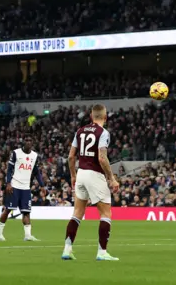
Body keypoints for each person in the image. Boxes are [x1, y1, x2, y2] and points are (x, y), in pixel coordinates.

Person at [62, 104, 120, 261]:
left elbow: (71, 157)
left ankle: (67, 250)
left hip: (81, 173)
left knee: (77, 213)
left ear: (91, 116)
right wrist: (112, 178)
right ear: (105, 117)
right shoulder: (103, 132)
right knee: (106, 214)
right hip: (95, 175)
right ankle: (102, 252)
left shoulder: (80, 131)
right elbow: (102, 157)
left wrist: (73, 175)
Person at [0, 136, 45, 242]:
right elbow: (9, 169)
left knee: (26, 212)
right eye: (26, 140)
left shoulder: (34, 155)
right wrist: (8, 183)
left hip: (26, 188)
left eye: (30, 140)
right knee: (8, 210)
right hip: (14, 186)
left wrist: (42, 185)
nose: (28, 142)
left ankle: (28, 235)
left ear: (32, 143)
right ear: (23, 142)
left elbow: (36, 172)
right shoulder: (16, 153)